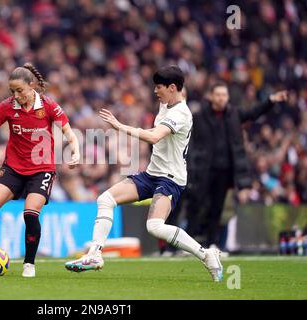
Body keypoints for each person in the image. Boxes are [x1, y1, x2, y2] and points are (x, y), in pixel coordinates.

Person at [65, 66, 223, 282]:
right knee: (105, 199)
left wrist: (120, 126)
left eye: (158, 87)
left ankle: (206, 255)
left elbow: (155, 136)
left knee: (154, 226)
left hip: (170, 179)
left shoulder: (180, 114)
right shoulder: (167, 103)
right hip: (151, 174)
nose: (155, 91)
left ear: (172, 87)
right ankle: (94, 255)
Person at [0, 63, 80, 277]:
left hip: (41, 170)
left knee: (30, 213)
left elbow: (69, 133)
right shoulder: (6, 107)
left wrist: (76, 152)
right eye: (12, 91)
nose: (16, 95)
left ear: (32, 86)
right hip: (13, 167)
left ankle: (29, 263)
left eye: (19, 90)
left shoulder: (48, 106)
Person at [183, 82, 288, 249]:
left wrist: (271, 100)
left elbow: (253, 112)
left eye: (224, 95)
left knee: (217, 208)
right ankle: (186, 244)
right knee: (197, 205)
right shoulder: (199, 116)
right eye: (218, 94)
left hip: (225, 171)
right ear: (211, 96)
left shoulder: (234, 114)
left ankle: (211, 244)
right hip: (203, 170)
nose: (221, 98)